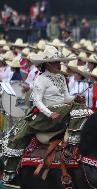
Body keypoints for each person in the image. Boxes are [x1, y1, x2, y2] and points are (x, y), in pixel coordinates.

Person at [2, 46, 90, 183]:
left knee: (82, 107)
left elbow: (65, 97)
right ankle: (71, 144)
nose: (59, 64)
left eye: (59, 61)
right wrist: (49, 114)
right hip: (45, 115)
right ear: (47, 64)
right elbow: (37, 101)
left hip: (62, 111)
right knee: (79, 109)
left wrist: (75, 98)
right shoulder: (41, 79)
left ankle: (73, 142)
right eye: (56, 62)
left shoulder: (61, 77)